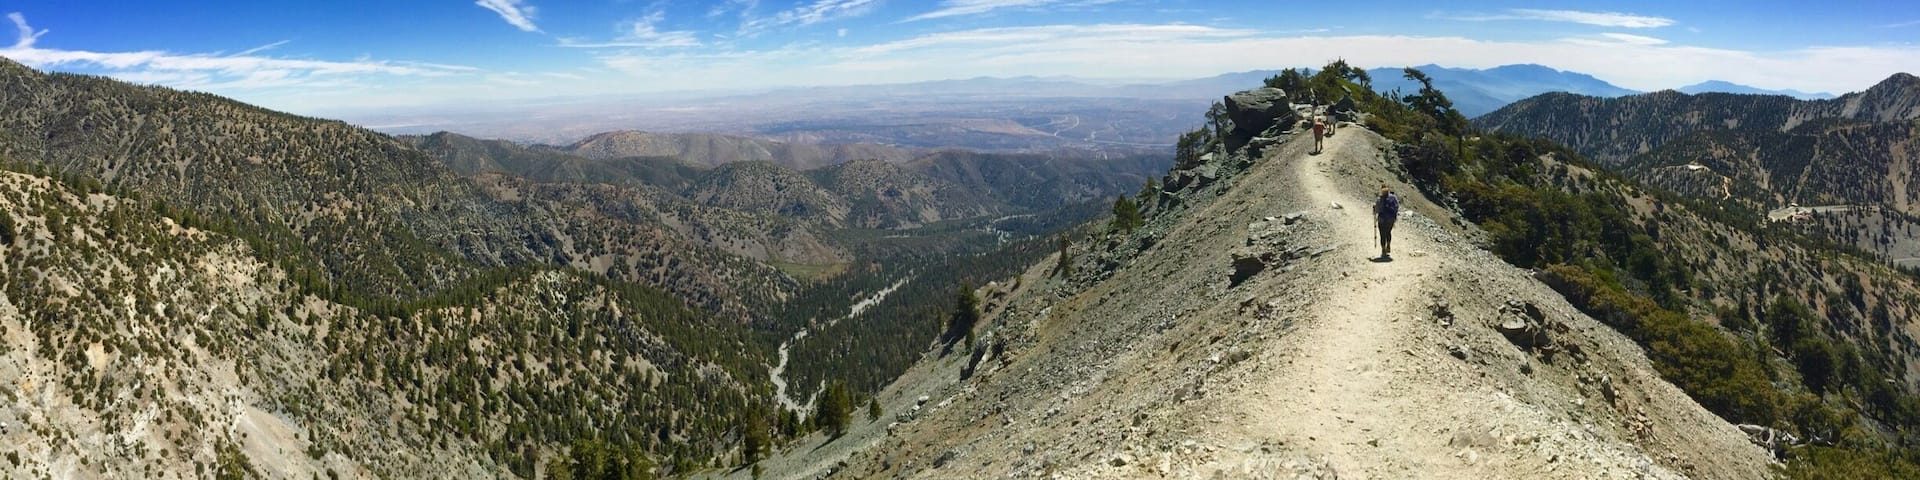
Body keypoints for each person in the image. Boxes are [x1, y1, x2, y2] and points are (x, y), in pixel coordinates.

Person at [1373, 186, 1399, 259]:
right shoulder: (1393, 197)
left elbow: (1377, 210)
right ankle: (1388, 244)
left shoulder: (1379, 199)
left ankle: (1383, 249)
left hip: (1382, 219)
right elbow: (1397, 207)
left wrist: (1374, 208)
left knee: (1382, 235)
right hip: (1390, 219)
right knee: (1388, 232)